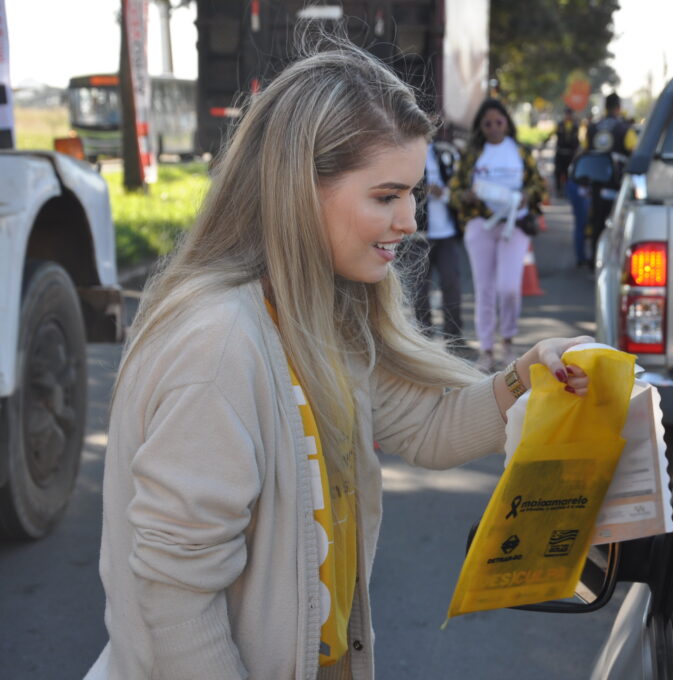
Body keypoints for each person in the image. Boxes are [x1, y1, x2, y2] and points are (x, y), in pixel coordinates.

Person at [85, 46, 591, 680]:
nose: (409, 220)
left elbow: (427, 427)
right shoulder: (218, 346)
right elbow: (176, 603)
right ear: (300, 190)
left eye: (412, 193)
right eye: (386, 196)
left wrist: (528, 376)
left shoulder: (318, 313)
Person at [448, 98, 548, 372]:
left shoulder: (519, 152)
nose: (493, 128)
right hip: (480, 224)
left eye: (498, 122)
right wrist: (466, 196)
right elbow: (454, 191)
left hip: (514, 224)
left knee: (509, 287)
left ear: (507, 123)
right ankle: (487, 350)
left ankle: (508, 341)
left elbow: (539, 186)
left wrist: (526, 196)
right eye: (487, 123)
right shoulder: (472, 154)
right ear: (480, 126)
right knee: (484, 289)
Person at [403, 131, 465, 346]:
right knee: (420, 287)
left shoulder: (445, 152)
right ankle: (424, 338)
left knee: (452, 283)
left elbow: (461, 184)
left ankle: (454, 337)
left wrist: (445, 193)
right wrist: (424, 190)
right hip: (418, 233)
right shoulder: (405, 153)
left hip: (446, 232)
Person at [583, 93, 637, 267]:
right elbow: (634, 153)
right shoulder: (625, 129)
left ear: (605, 107)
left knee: (596, 222)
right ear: (618, 108)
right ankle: (613, 262)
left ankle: (594, 261)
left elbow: (585, 151)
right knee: (617, 223)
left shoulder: (592, 127)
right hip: (616, 185)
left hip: (595, 184)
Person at [553, 107, 580, 196]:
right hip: (560, 152)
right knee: (558, 171)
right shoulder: (560, 125)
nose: (568, 116)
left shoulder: (575, 126)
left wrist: (577, 151)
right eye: (566, 114)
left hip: (570, 154)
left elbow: (578, 140)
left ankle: (568, 191)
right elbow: (552, 134)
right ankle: (559, 189)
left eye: (569, 114)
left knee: (568, 172)